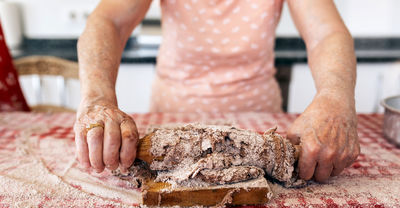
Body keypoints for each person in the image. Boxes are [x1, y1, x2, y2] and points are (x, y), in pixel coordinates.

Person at [74, 0, 360, 183]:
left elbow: (326, 34)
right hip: (172, 114)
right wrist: (97, 98)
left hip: (258, 123)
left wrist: (335, 96)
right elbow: (108, 22)